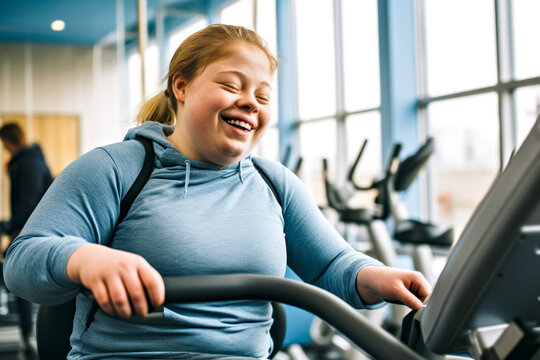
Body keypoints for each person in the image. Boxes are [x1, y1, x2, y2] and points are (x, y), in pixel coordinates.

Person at [3, 24, 431, 359]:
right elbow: (23, 260)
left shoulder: (273, 182)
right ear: (181, 86)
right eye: (232, 85)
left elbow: (333, 263)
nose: (251, 103)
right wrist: (82, 258)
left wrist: (379, 276)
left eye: (263, 96)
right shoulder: (115, 168)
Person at [0, 122, 52, 356]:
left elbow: (29, 204)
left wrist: (8, 227)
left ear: (9, 141)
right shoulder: (25, 161)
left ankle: (29, 336)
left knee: (26, 284)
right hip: (28, 228)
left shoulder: (29, 163)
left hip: (33, 230)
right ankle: (27, 334)